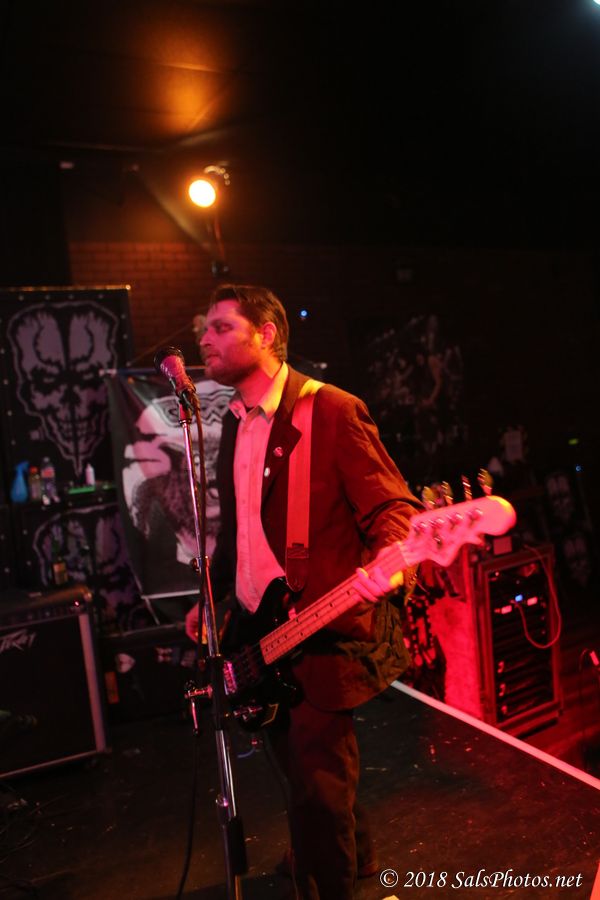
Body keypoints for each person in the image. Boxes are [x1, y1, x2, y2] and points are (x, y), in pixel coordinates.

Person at [185, 284, 421, 900]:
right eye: (204, 329)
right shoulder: (235, 423)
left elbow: (393, 508)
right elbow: (239, 528)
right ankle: (351, 854)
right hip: (257, 630)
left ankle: (332, 882)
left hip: (320, 628)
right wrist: (212, 596)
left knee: (318, 786)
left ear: (265, 334)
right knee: (302, 770)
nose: (203, 339)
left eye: (220, 327)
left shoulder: (332, 410)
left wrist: (390, 563)